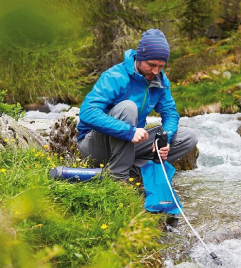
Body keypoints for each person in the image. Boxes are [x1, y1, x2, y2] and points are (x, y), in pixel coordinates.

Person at [77, 28, 198, 181]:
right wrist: (128, 131)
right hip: (96, 145)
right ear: (139, 58)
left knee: (188, 137)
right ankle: (118, 179)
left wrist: (164, 140)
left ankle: (134, 171)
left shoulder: (160, 80)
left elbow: (170, 113)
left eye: (161, 66)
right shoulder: (115, 77)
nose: (155, 71)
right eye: (151, 64)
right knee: (128, 107)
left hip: (129, 144)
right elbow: (87, 113)